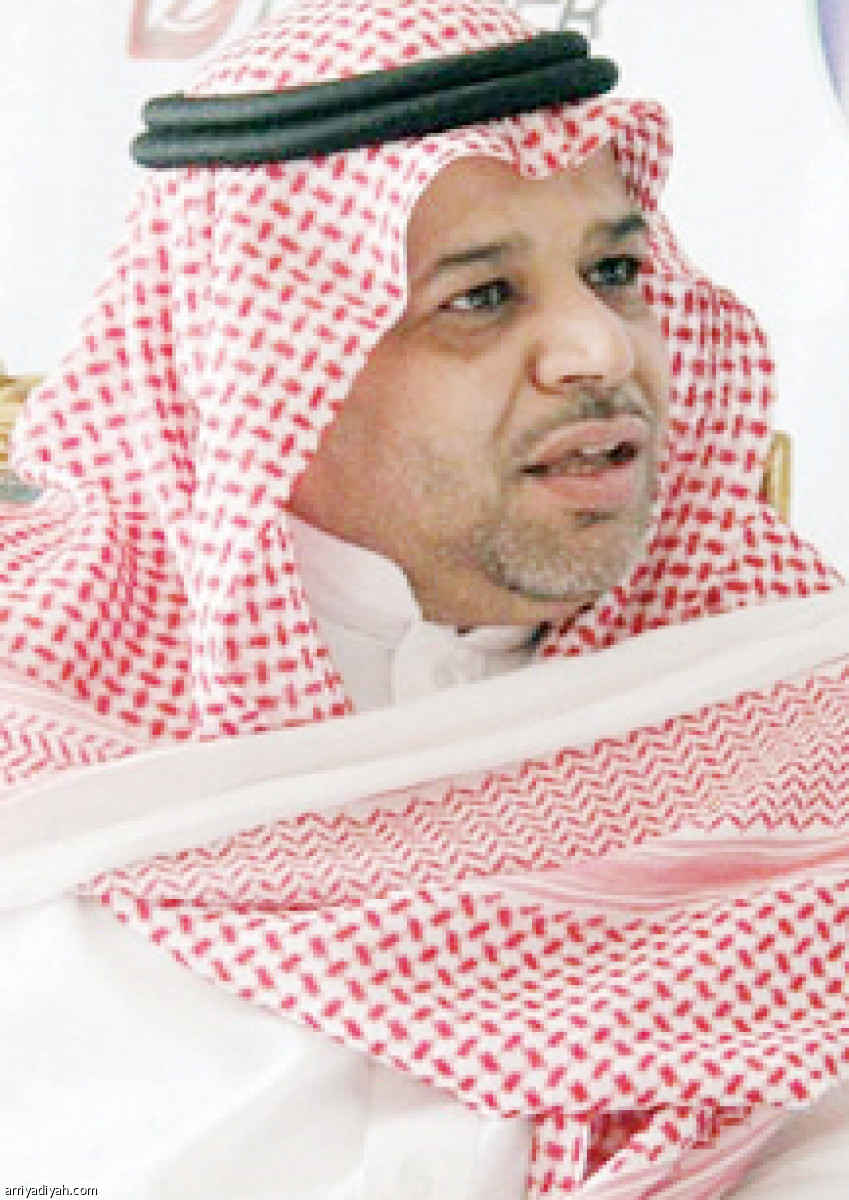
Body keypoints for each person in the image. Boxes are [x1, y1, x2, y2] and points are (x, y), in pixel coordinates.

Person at [1, 1, 848, 1197]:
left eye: (614, 272)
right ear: (263, 369)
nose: (602, 350)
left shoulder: (788, 716)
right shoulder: (40, 730)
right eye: (482, 297)